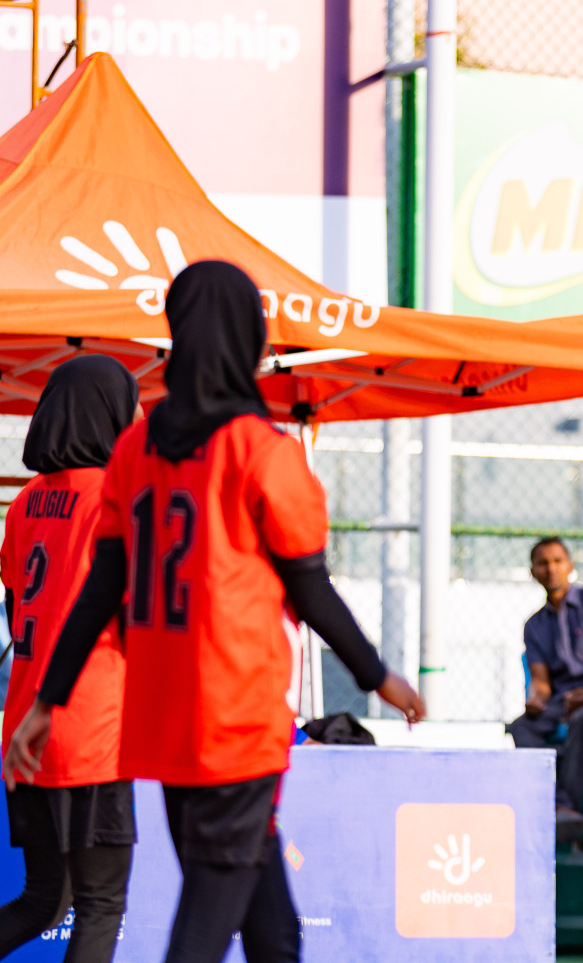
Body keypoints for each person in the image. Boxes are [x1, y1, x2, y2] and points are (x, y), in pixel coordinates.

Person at [4, 261, 426, 963]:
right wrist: (377, 674)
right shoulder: (263, 452)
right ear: (248, 340)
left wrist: (46, 701)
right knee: (204, 916)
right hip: (235, 718)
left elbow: (99, 589)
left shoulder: (136, 449)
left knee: (273, 933)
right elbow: (309, 587)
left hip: (161, 721)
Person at [0, 356, 139, 962]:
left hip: (25, 729)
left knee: (42, 901)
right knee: (101, 904)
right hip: (91, 729)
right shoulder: (114, 497)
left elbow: (15, 605)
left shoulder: (27, 501)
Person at [509, 536, 583, 839]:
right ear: (533, 571)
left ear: (570, 565)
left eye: (558, 561)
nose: (551, 568)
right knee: (521, 727)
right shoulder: (534, 625)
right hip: (561, 700)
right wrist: (536, 700)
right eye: (543, 563)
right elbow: (542, 682)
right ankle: (542, 800)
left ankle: (566, 806)